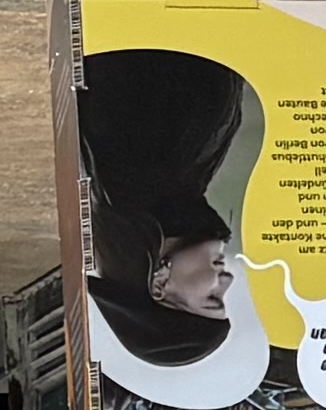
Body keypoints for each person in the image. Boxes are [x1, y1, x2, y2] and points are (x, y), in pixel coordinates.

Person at [75, 45, 262, 380]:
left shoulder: (138, 165)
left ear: (159, 288)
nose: (227, 280)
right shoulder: (175, 184)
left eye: (212, 298)